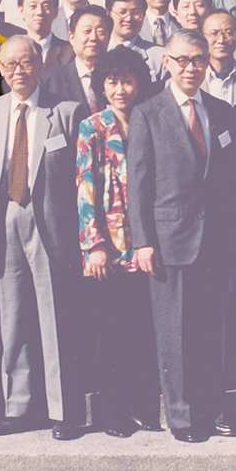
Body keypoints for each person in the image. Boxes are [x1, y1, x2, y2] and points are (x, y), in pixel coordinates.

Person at [126, 30, 236, 442]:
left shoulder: (221, 110)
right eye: (182, 60)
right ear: (167, 62)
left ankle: (211, 409)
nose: (191, 68)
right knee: (173, 334)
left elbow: (235, 180)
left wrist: (235, 236)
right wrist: (143, 240)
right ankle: (180, 416)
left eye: (198, 60)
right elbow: (138, 185)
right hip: (168, 241)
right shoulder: (148, 113)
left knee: (211, 329)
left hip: (215, 241)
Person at [0, 36, 89, 440]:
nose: (17, 71)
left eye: (25, 63)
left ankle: (64, 411)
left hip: (51, 225)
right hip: (3, 219)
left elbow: (82, 180)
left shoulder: (66, 110)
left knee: (55, 317)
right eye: (9, 65)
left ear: (40, 65)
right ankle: (19, 406)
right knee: (13, 318)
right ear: (1, 70)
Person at [76, 47, 162, 438]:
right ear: (102, 85)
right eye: (113, 81)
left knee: (144, 328)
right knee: (110, 331)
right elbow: (85, 187)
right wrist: (93, 244)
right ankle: (111, 412)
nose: (121, 89)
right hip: (109, 247)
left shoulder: (152, 121)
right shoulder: (92, 126)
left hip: (147, 242)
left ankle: (144, 406)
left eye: (127, 80)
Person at [41, 5, 112, 114]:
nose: (93, 38)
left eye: (101, 32)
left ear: (109, 38)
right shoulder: (49, 81)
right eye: (87, 31)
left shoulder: (118, 80)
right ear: (71, 37)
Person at [106, 0, 167, 82]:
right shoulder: (98, 52)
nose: (129, 18)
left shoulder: (159, 56)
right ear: (108, 14)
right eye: (122, 12)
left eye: (135, 12)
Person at [17, 0, 72, 71]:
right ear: (21, 11)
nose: (40, 12)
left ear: (56, 12)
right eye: (33, 6)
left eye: (46, 6)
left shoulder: (70, 53)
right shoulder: (11, 50)